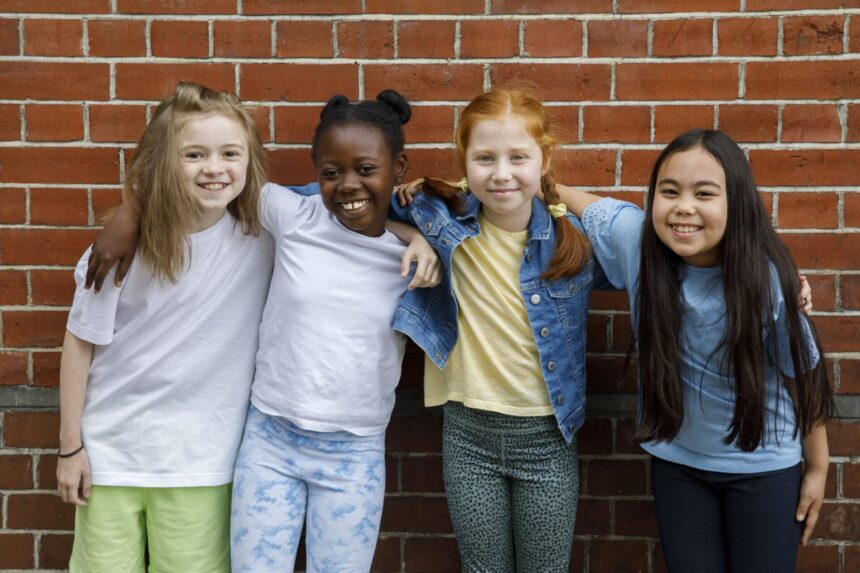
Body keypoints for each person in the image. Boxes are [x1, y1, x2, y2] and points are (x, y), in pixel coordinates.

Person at [82, 88, 441, 573]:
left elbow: (480, 210)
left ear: (398, 169)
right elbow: (211, 182)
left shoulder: (416, 256)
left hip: (354, 451)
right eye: (331, 173)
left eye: (366, 170)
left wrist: (419, 235)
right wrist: (132, 212)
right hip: (271, 439)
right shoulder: (293, 217)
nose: (348, 184)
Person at [554, 129, 833, 572]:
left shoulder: (766, 283)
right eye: (669, 191)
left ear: (736, 204)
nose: (684, 206)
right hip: (678, 465)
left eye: (704, 193)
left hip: (764, 467)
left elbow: (803, 374)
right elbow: (567, 196)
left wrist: (818, 467)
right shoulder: (637, 241)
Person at [57, 81, 274, 573]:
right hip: (110, 456)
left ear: (249, 162)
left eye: (229, 153)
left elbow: (352, 211)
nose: (214, 168)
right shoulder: (117, 253)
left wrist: (414, 231)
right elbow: (79, 343)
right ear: (162, 164)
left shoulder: (264, 237)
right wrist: (71, 447)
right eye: (193, 154)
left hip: (202, 461)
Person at [392, 87, 607, 572]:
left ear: (544, 159)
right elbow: (356, 202)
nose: (502, 173)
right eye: (485, 158)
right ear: (463, 162)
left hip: (547, 438)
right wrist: (417, 239)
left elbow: (644, 234)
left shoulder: (573, 241)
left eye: (519, 157)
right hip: (469, 434)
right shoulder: (439, 217)